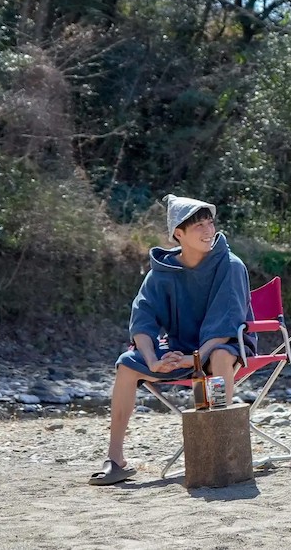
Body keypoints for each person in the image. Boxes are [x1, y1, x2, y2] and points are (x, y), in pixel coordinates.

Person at [88, 194, 255, 485]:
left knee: (220, 357)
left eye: (209, 223)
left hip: (225, 345)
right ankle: (115, 459)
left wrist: (196, 357)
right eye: (198, 226)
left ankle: (221, 451)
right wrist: (152, 359)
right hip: (179, 349)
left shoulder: (230, 265)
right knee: (127, 364)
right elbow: (143, 318)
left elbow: (226, 322)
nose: (207, 231)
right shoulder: (163, 271)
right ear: (178, 233)